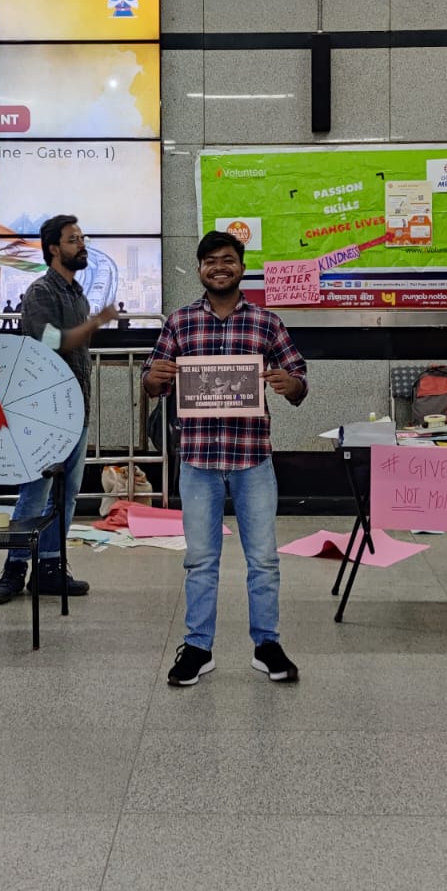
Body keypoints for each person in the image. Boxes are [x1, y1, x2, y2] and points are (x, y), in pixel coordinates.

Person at [143, 230, 308, 687]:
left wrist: (290, 384)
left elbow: (299, 379)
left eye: (228, 259)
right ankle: (198, 648)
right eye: (210, 260)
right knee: (200, 560)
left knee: (264, 559)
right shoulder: (180, 322)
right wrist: (154, 377)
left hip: (252, 457)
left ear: (242, 267)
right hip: (197, 460)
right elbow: (152, 382)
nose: (220, 267)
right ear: (200, 269)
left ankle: (267, 645)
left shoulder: (266, 323)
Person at [0, 215, 116, 604]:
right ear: (54, 248)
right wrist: (95, 324)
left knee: (66, 495)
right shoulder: (41, 291)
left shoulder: (77, 294)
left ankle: (50, 567)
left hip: (77, 408)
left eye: (82, 237)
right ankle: (14, 568)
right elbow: (50, 340)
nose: (82, 244)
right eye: (73, 239)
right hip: (44, 413)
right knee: (35, 492)